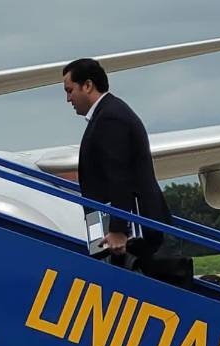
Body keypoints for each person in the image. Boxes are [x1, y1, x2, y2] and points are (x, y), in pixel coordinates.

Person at [62, 58, 173, 272]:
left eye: (70, 90)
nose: (68, 99)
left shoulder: (110, 118)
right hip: (128, 226)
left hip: (133, 234)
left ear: (87, 85)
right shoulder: (109, 113)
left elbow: (119, 176)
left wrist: (118, 229)